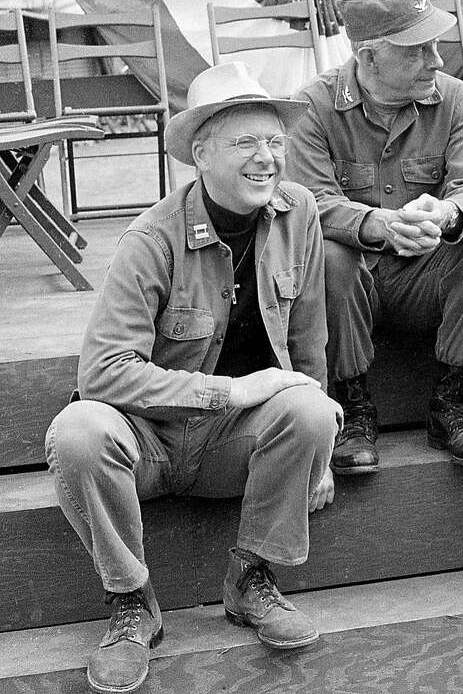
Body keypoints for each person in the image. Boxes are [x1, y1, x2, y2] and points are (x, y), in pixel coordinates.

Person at [45, 61, 339, 694]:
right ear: (200, 156)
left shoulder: (300, 213)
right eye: (244, 144)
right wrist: (228, 390)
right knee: (77, 431)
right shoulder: (150, 239)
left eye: (274, 143)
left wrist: (324, 451)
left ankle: (251, 580)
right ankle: (131, 606)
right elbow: (102, 372)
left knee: (311, 410)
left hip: (232, 448)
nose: (266, 159)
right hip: (146, 443)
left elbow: (310, 338)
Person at [289, 0, 463, 471]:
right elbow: (309, 200)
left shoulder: (454, 98)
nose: (435, 59)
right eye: (416, 49)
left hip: (427, 277)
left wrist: (450, 213)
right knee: (331, 255)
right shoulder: (314, 107)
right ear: (368, 56)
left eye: (433, 45)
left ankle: (452, 401)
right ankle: (354, 404)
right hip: (355, 285)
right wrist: (378, 224)